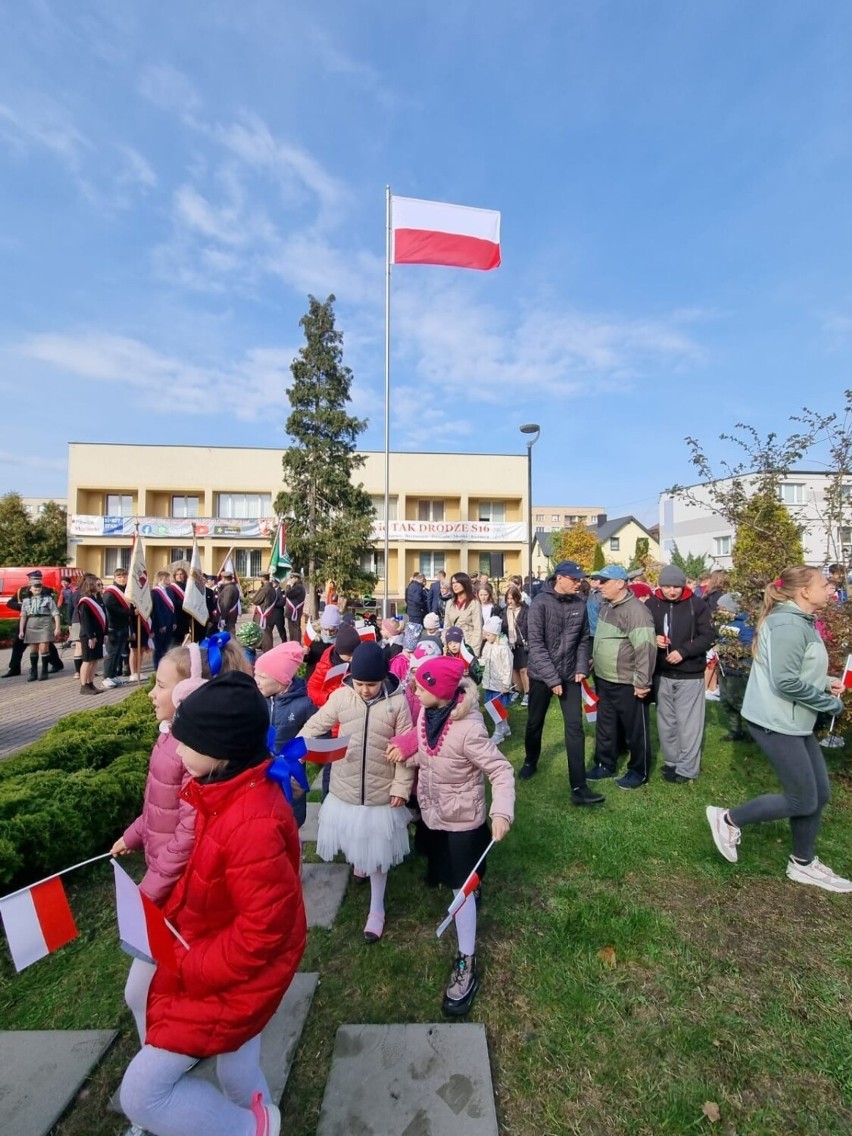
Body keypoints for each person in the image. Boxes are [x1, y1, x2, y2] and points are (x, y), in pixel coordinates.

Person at [119, 671, 307, 1136]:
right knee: (236, 1070)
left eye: (186, 742)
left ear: (220, 750)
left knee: (142, 1095)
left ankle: (253, 1130)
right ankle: (260, 1116)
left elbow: (264, 929)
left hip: (230, 972)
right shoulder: (225, 796)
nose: (177, 751)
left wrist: (192, 965)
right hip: (218, 957)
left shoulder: (251, 823)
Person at [110, 634, 250, 1043]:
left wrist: (149, 890)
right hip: (166, 879)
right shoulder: (171, 737)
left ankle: (167, 1053)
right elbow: (160, 806)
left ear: (191, 693)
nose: (152, 693)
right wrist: (134, 835)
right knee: (161, 984)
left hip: (180, 888)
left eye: (162, 685)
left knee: (145, 989)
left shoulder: (193, 753)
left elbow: (188, 834)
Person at [706, 566, 852, 892]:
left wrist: (826, 683)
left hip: (793, 719)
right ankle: (728, 819)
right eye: (824, 584)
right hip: (777, 721)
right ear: (804, 592)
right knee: (802, 799)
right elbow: (785, 681)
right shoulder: (788, 623)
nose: (831, 589)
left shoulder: (799, 620)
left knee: (819, 794)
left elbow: (793, 670)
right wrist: (830, 704)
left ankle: (803, 863)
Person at [387, 656, 514, 1016]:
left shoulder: (470, 730)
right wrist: (407, 749)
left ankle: (466, 959)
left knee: (461, 891)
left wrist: (501, 811)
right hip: (435, 813)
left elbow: (502, 771)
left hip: (462, 821)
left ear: (442, 693)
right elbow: (430, 747)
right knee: (448, 878)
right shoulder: (432, 711)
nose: (414, 690)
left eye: (422, 686)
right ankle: (470, 895)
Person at [299, 642, 414, 941]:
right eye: (360, 683)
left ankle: (376, 909)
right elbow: (317, 723)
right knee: (356, 840)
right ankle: (359, 865)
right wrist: (296, 748)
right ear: (352, 678)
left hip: (380, 792)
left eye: (371, 684)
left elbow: (404, 749)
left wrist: (401, 786)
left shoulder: (397, 704)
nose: (365, 690)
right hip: (346, 787)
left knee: (378, 851)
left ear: (383, 679)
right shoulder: (341, 697)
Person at [519, 561, 603, 806]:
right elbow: (536, 646)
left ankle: (579, 786)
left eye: (580, 579)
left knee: (575, 727)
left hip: (570, 674)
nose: (579, 583)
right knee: (535, 722)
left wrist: (579, 668)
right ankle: (530, 761)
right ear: (560, 578)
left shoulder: (580, 603)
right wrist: (552, 679)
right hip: (541, 675)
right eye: (575, 579)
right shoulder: (539, 604)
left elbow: (583, 640)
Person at [587, 564, 657, 790]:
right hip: (605, 678)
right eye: (599, 581)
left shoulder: (636, 611)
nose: (599, 585)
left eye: (604, 581)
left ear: (620, 583)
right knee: (606, 725)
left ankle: (639, 771)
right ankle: (606, 764)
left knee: (635, 729)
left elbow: (645, 647)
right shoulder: (607, 605)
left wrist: (642, 682)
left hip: (627, 681)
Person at [646, 565, 714, 782]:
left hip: (689, 673)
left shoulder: (698, 605)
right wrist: (653, 637)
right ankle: (672, 761)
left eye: (676, 586)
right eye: (667, 586)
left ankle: (687, 769)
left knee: (689, 725)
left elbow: (707, 636)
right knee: (667, 722)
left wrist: (684, 651)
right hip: (662, 673)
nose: (672, 591)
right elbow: (642, 630)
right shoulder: (651, 604)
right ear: (660, 585)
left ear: (683, 585)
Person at [255, 641, 316, 828]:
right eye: (255, 675)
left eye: (262, 677)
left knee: (291, 813)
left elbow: (317, 733)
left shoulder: (305, 703)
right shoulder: (257, 700)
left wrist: (302, 756)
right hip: (261, 767)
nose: (256, 680)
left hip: (290, 770)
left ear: (282, 680)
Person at [3, 571, 65, 678]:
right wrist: (20, 606)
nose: (36, 581)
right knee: (18, 645)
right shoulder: (21, 591)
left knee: (47, 646)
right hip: (26, 621)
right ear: (29, 580)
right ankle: (14, 668)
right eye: (33, 579)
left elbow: (52, 606)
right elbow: (10, 603)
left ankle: (56, 664)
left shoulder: (47, 590)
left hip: (42, 621)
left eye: (38, 579)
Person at [713, 592, 754, 741]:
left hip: (739, 670)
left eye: (722, 608)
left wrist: (725, 650)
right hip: (724, 667)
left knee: (739, 701)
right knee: (726, 700)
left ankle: (753, 733)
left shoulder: (745, 624)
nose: (719, 611)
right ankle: (735, 730)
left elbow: (748, 647)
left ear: (732, 609)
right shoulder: (724, 623)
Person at [18, 572, 62, 681]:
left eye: (39, 587)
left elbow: (55, 613)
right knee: (33, 649)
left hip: (45, 622)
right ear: (30, 589)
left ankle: (44, 671)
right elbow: (23, 616)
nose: (37, 589)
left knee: (44, 648)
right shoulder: (26, 601)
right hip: (31, 623)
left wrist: (57, 627)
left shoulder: (48, 599)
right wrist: (21, 630)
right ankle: (34, 672)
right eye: (35, 587)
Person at [480, 615, 514, 743]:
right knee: (493, 707)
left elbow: (508, 667)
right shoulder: (488, 645)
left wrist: (506, 684)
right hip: (490, 683)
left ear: (495, 633)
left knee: (496, 709)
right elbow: (485, 659)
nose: (486, 637)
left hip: (499, 684)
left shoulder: (503, 648)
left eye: (488, 635)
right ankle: (505, 727)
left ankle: (498, 732)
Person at [76, 573, 107, 695]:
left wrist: (105, 633)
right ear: (91, 585)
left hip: (99, 634)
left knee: (95, 660)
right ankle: (84, 685)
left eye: (101, 584)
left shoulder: (99, 598)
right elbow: (86, 621)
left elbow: (105, 617)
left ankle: (90, 683)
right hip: (88, 635)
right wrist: (91, 636)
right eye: (98, 584)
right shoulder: (85, 601)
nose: (101, 586)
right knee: (88, 660)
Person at [102, 567, 133, 687]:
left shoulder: (126, 590)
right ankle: (107, 677)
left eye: (124, 576)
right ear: (115, 578)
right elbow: (113, 609)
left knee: (119, 652)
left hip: (123, 625)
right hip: (113, 626)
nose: (122, 579)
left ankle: (113, 675)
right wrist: (131, 613)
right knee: (112, 653)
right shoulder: (111, 592)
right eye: (120, 577)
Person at [443, 572, 483, 657]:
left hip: (468, 644)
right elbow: (446, 627)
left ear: (465, 583)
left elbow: (478, 629)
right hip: (452, 646)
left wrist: (473, 652)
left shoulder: (474, 603)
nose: (455, 585)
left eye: (458, 582)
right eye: (453, 583)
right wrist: (445, 645)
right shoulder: (450, 603)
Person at [502, 585, 529, 706]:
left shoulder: (525, 610)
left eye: (512, 598)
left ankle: (528, 693)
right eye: (508, 598)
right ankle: (517, 690)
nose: (510, 601)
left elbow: (529, 627)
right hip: (509, 643)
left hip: (522, 644)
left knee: (524, 670)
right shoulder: (505, 611)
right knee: (513, 669)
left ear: (517, 598)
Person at [151, 570, 177, 669]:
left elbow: (173, 607)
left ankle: (164, 665)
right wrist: (161, 624)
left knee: (166, 646)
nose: (169, 580)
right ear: (161, 579)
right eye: (167, 578)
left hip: (170, 622)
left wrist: (174, 621)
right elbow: (157, 610)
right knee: (159, 647)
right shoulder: (155, 592)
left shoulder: (169, 590)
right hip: (160, 624)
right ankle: (157, 666)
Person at [404, 571, 429, 651]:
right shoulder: (418, 587)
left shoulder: (411, 585)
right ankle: (414, 648)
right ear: (421, 579)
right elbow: (417, 600)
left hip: (411, 610)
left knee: (412, 630)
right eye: (424, 580)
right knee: (416, 631)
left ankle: (410, 645)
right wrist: (424, 606)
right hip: (417, 612)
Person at [282, 572, 306, 644]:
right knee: (292, 630)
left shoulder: (298, 587)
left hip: (294, 612)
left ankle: (295, 644)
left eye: (292, 578)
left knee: (294, 630)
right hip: (292, 612)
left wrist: (288, 585)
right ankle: (294, 643)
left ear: (296, 578)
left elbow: (288, 594)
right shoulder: (297, 586)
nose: (290, 579)